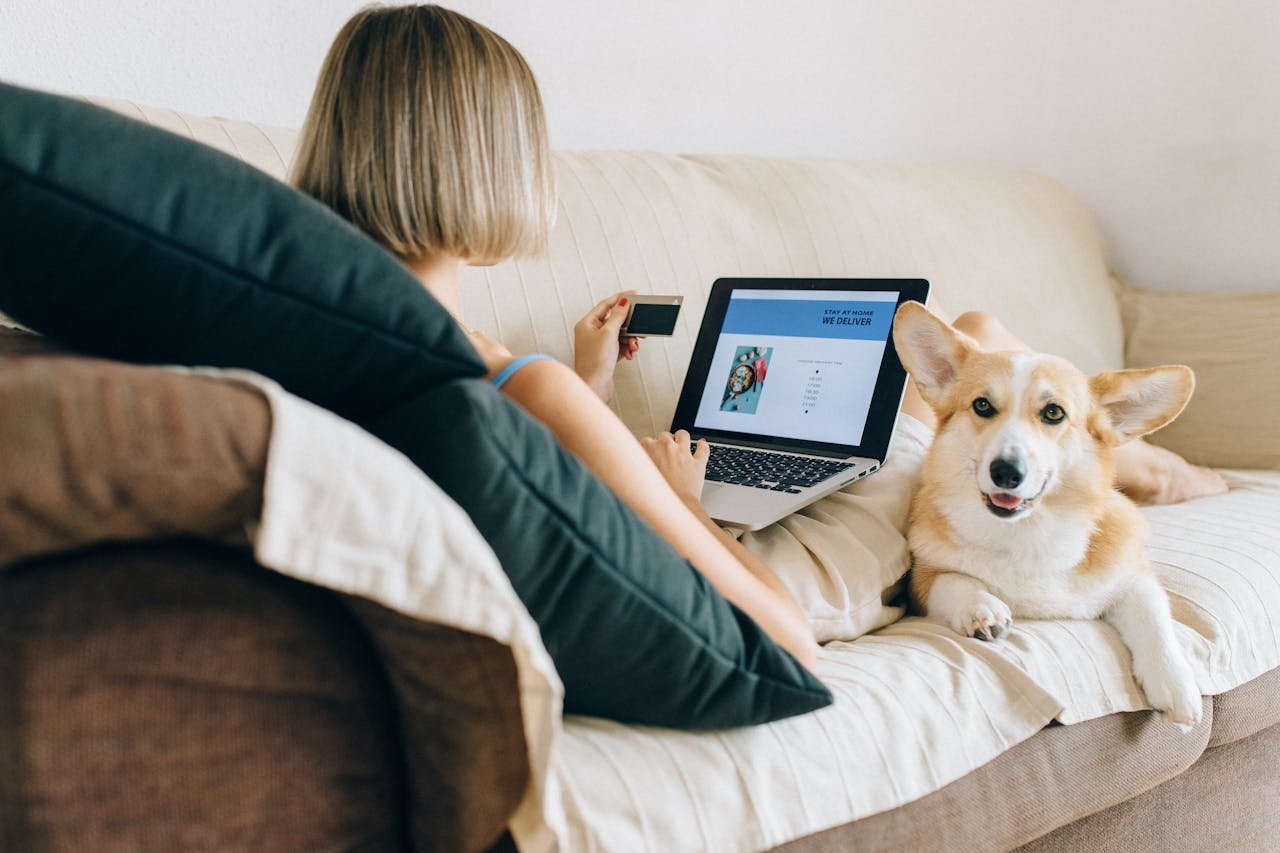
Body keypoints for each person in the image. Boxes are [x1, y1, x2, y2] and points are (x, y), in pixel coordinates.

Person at [292, 4, 1226, 669]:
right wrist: (685, 502)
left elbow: (541, 464)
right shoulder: (518, 382)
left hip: (707, 502)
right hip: (787, 564)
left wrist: (589, 390)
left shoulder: (346, 340)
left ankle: (1125, 456)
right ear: (494, 163)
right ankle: (1132, 459)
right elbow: (771, 623)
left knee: (967, 360)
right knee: (974, 344)